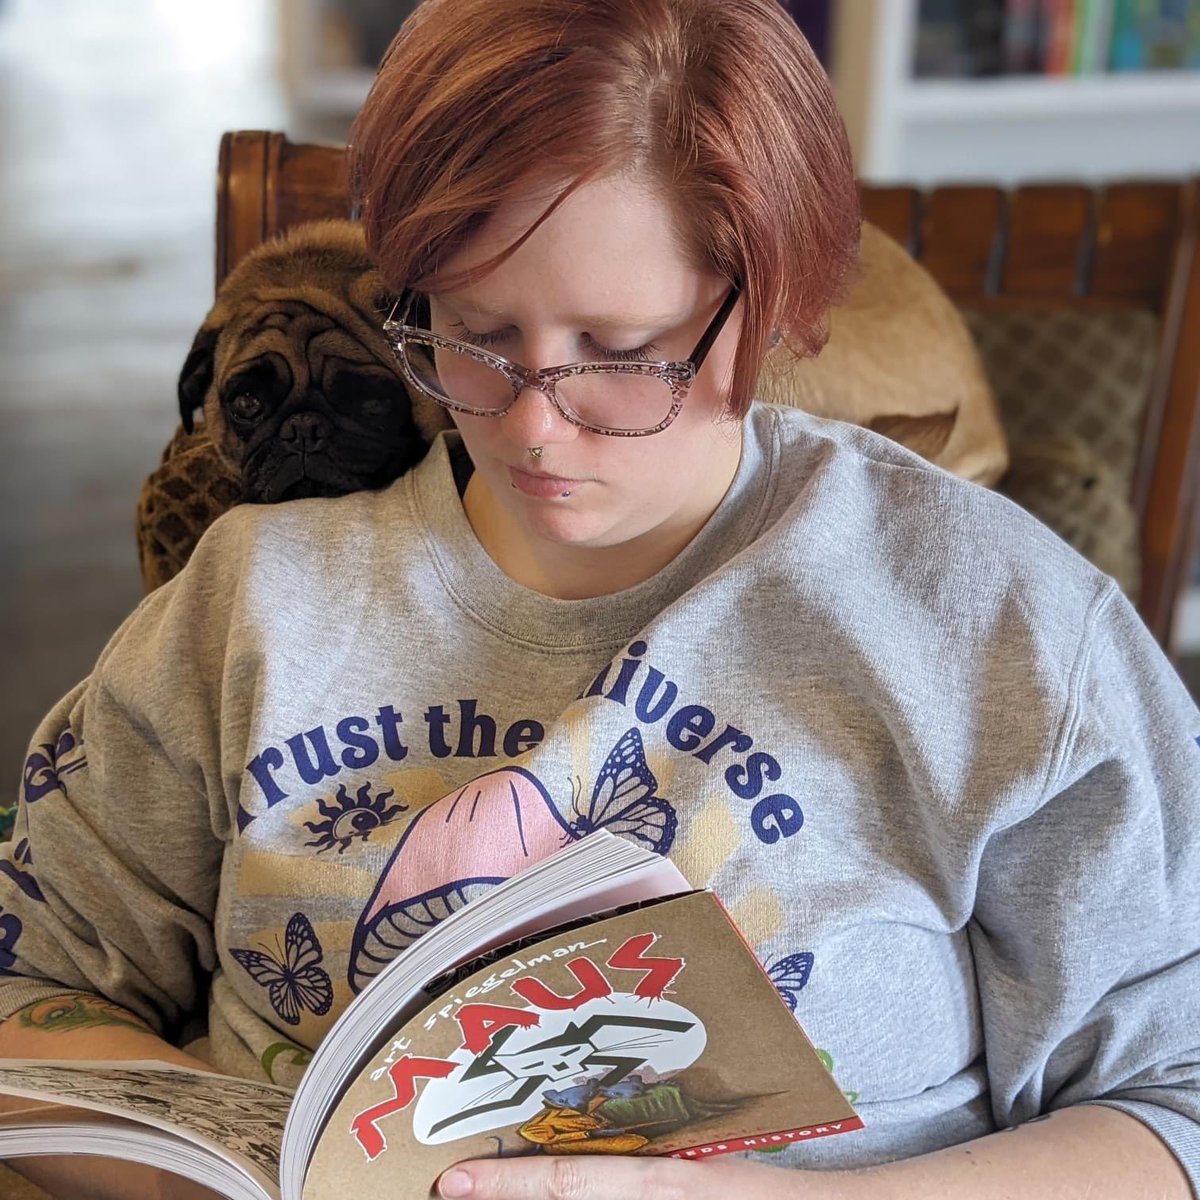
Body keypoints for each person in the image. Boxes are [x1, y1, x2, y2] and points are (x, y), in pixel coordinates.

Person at [1, 0, 1198, 1197]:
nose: (531, 427)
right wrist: (208, 1179)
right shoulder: (252, 603)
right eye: (475, 333)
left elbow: (1177, 1099)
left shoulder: (992, 622)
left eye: (621, 350)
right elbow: (27, 990)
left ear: (771, 301)